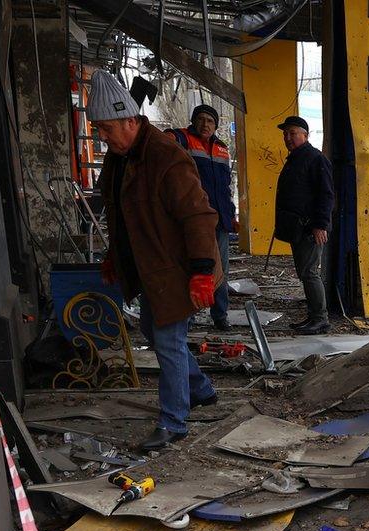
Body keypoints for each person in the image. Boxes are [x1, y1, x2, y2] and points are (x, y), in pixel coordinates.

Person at [88, 70, 219, 450]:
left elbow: (199, 216)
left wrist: (201, 273)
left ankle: (174, 422)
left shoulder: (166, 156)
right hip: (150, 266)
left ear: (131, 121)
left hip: (178, 266)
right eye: (98, 130)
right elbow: (118, 212)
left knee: (167, 338)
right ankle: (201, 389)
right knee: (154, 328)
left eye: (107, 129)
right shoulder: (120, 156)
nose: (103, 137)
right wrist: (116, 255)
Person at [165, 105, 235, 331]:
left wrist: (230, 212)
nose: (206, 125)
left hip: (220, 219)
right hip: (194, 219)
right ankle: (190, 316)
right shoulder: (182, 139)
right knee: (193, 265)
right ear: (194, 121)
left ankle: (220, 316)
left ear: (216, 125)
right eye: (201, 119)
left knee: (220, 270)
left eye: (210, 121)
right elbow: (166, 144)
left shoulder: (222, 149)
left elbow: (226, 186)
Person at [273, 116, 335, 335]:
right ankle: (313, 316)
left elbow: (326, 195)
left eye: (293, 133)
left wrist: (320, 225)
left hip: (310, 229)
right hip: (298, 228)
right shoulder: (296, 158)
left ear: (305, 136)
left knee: (309, 273)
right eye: (285, 134)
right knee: (305, 272)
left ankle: (320, 319)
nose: (288, 138)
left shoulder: (315, 159)